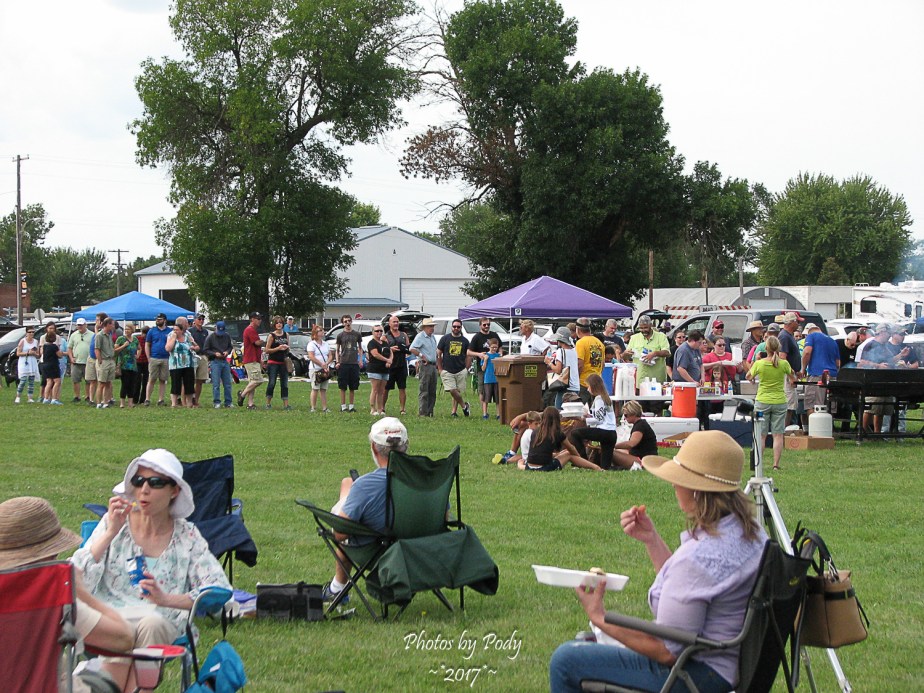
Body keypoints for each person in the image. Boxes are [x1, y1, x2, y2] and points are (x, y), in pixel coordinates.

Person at [549, 430, 767, 693]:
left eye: (678, 480)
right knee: (587, 647)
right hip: (726, 664)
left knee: (566, 659)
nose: (674, 486)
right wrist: (652, 539)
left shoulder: (701, 558)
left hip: (695, 675)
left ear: (697, 492)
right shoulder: (750, 534)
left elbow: (666, 651)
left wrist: (600, 617)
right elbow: (690, 586)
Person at [71, 449, 232, 692]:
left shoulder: (186, 536)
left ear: (174, 491)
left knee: (151, 622)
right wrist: (110, 533)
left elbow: (218, 589)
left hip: (162, 620)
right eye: (139, 481)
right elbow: (74, 577)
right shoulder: (113, 525)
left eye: (155, 483)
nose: (144, 489)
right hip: (109, 618)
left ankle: (101, 684)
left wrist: (166, 599)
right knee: (131, 626)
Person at [0, 497, 134, 693]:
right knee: (101, 680)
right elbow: (123, 639)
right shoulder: (50, 594)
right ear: (47, 555)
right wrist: (79, 590)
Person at [321, 418, 409, 604]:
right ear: (406, 445)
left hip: (376, 550)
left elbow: (340, 533)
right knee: (348, 484)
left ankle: (336, 589)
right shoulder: (425, 477)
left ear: (374, 449)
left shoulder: (367, 485)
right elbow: (442, 517)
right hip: (419, 550)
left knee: (346, 520)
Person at [747, 335, 795, 470]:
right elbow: (792, 377)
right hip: (780, 400)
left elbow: (748, 376)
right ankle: (776, 464)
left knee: (761, 435)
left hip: (762, 400)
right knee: (778, 434)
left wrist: (755, 363)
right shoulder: (784, 363)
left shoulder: (760, 363)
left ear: (765, 348)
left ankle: (759, 464)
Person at [519, 406, 602, 471]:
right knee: (568, 454)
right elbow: (571, 449)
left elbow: (541, 453)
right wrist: (579, 459)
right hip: (545, 467)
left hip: (530, 466)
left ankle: (520, 466)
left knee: (564, 452)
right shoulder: (556, 432)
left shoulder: (536, 431)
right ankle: (596, 467)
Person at [569, 373, 619, 470]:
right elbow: (602, 416)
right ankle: (629, 468)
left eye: (588, 387)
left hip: (604, 431)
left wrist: (583, 419)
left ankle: (584, 462)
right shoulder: (606, 398)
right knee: (605, 467)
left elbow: (598, 420)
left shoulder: (599, 399)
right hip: (612, 433)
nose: (587, 389)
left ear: (593, 387)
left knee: (575, 434)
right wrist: (590, 416)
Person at [624, 315, 670, 409]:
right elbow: (625, 357)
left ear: (651, 325)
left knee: (657, 409)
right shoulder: (634, 338)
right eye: (641, 328)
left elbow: (667, 353)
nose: (643, 330)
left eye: (645, 328)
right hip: (640, 381)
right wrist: (626, 353)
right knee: (640, 410)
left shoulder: (661, 337)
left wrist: (655, 353)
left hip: (657, 381)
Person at [801, 323, 840, 418]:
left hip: (817, 375)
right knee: (829, 406)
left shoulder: (811, 336)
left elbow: (807, 352)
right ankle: (828, 430)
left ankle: (815, 430)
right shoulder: (832, 340)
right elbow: (838, 363)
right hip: (832, 376)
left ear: (808, 333)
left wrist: (803, 368)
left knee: (813, 404)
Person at [437, 319, 471, 417]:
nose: (456, 328)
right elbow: (438, 354)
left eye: (458, 327)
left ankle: (454, 412)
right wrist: (440, 368)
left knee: (457, 391)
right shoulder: (445, 339)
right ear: (451, 327)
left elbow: (468, 355)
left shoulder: (465, 341)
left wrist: (466, 368)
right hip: (447, 369)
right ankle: (464, 406)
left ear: (461, 328)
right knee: (452, 390)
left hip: (461, 369)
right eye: (454, 326)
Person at [467, 317, 501, 412]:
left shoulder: (494, 335)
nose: (486, 326)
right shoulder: (477, 337)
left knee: (496, 390)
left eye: (488, 324)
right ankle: (484, 412)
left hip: (494, 368)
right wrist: (479, 354)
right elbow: (468, 352)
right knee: (482, 389)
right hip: (482, 367)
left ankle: (497, 412)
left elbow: (500, 347)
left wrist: (500, 357)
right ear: (480, 325)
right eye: (484, 325)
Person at [611, 400, 657, 471]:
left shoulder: (640, 426)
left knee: (609, 451)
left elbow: (631, 444)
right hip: (644, 457)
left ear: (633, 413)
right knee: (615, 451)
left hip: (643, 460)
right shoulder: (640, 424)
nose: (625, 418)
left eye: (626, 415)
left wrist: (613, 446)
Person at [777, 312, 804, 426]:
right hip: (787, 376)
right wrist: (791, 376)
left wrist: (797, 371)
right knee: (788, 404)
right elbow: (782, 358)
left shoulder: (789, 335)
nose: (798, 324)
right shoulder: (784, 336)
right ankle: (782, 431)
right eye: (797, 321)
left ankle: (784, 430)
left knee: (791, 404)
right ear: (791, 322)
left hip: (791, 373)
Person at [544, 327, 580, 409]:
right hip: (576, 386)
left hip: (565, 387)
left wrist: (548, 362)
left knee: (559, 411)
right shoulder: (574, 351)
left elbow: (558, 370)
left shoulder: (560, 351)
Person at [410, 317, 438, 416]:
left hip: (433, 365)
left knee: (432, 390)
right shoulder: (420, 336)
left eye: (433, 326)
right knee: (424, 389)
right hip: (425, 365)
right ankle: (423, 412)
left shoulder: (432, 337)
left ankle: (430, 411)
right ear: (425, 327)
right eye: (430, 326)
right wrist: (422, 356)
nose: (432, 328)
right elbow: (412, 348)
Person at [383, 314, 411, 415]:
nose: (396, 324)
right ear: (389, 324)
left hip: (401, 365)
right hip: (390, 365)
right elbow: (382, 350)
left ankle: (402, 409)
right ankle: (382, 408)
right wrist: (391, 349)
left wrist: (405, 349)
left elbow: (408, 349)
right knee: (386, 388)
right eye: (394, 322)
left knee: (402, 388)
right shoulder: (385, 336)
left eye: (397, 322)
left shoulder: (403, 335)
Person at [335, 315, 363, 413]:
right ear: (343, 323)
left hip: (354, 363)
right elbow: (337, 349)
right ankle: (343, 406)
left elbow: (360, 348)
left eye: (349, 321)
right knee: (342, 386)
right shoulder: (340, 335)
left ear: (351, 322)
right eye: (345, 321)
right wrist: (338, 361)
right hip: (344, 363)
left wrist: (360, 360)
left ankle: (351, 406)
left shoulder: (357, 334)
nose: (347, 323)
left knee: (353, 385)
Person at [263, 315, 291, 410]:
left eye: (280, 323)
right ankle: (268, 403)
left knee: (285, 384)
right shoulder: (272, 335)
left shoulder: (286, 334)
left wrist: (286, 348)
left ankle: (286, 405)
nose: (279, 324)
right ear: (274, 325)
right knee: (272, 383)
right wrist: (278, 348)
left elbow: (288, 348)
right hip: (273, 362)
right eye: (277, 323)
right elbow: (267, 350)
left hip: (283, 362)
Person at [238, 312, 265, 410]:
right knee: (258, 380)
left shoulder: (253, 330)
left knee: (252, 381)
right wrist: (262, 341)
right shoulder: (250, 330)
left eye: (260, 319)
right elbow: (257, 342)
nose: (259, 321)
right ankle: (242, 394)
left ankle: (250, 404)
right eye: (257, 319)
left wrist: (260, 360)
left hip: (254, 359)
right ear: (252, 319)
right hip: (251, 359)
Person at [166, 317, 195, 408]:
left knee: (189, 383)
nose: (188, 325)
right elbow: (168, 348)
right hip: (176, 364)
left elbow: (195, 345)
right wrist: (174, 338)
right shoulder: (171, 335)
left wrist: (194, 348)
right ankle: (174, 403)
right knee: (176, 384)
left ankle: (189, 403)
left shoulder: (188, 334)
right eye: (186, 323)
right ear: (181, 324)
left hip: (188, 363)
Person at [203, 321, 234, 408]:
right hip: (215, 361)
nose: (220, 334)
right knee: (216, 384)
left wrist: (227, 352)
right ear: (215, 328)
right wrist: (214, 354)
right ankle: (217, 402)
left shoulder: (227, 336)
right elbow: (205, 349)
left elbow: (230, 346)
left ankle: (228, 402)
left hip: (224, 361)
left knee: (227, 383)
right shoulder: (210, 337)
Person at [575, 318, 605, 405]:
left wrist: (576, 379)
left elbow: (580, 364)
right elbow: (602, 364)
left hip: (583, 382)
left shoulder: (580, 343)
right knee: (594, 409)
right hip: (596, 382)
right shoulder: (599, 343)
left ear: (578, 329)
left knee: (580, 408)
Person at [145, 313, 172, 406]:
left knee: (163, 380)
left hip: (166, 358)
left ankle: (161, 400)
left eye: (160, 319)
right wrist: (148, 357)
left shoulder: (170, 331)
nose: (157, 321)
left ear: (164, 320)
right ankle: (147, 399)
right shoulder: (152, 331)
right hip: (154, 357)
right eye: (157, 319)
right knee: (151, 379)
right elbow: (147, 344)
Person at [366, 324, 392, 415]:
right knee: (375, 389)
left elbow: (390, 352)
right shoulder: (372, 343)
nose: (379, 332)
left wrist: (390, 360)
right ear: (373, 332)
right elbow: (375, 354)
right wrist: (386, 360)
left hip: (384, 369)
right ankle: (373, 409)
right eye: (377, 331)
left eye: (381, 331)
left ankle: (380, 409)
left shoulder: (384, 343)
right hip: (374, 369)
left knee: (382, 390)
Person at [307, 323, 333, 413]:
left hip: (325, 368)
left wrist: (327, 363)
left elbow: (330, 355)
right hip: (315, 368)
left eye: (323, 330)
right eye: (320, 330)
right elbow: (311, 356)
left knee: (323, 389)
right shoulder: (311, 344)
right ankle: (313, 407)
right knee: (315, 388)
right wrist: (321, 364)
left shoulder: (326, 344)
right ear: (315, 333)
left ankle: (324, 407)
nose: (323, 332)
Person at [68, 317, 94, 402]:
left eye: (81, 325)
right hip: (76, 361)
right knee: (75, 380)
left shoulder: (92, 335)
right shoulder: (73, 335)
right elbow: (70, 348)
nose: (80, 327)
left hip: (88, 361)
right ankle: (77, 396)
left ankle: (88, 396)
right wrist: (71, 358)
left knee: (88, 380)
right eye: (78, 325)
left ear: (85, 325)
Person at [114, 322, 140, 409]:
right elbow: (115, 350)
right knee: (125, 383)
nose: (126, 331)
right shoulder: (121, 339)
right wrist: (123, 346)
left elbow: (139, 348)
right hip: (123, 364)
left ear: (132, 330)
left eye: (128, 329)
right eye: (125, 329)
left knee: (132, 384)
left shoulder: (135, 339)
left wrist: (138, 355)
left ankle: (130, 402)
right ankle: (122, 402)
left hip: (133, 365)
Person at [95, 317, 117, 409]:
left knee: (108, 383)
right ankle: (98, 403)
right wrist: (100, 361)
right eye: (112, 324)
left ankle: (106, 402)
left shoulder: (109, 335)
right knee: (101, 383)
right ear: (107, 324)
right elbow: (97, 349)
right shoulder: (99, 335)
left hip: (111, 360)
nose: (113, 326)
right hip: (104, 361)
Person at [187, 314, 209, 407]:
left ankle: (196, 400)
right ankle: (188, 400)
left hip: (203, 356)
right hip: (193, 356)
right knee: (190, 379)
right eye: (199, 319)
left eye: (203, 319)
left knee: (200, 380)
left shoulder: (205, 332)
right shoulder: (190, 331)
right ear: (195, 320)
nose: (201, 321)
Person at [480, 338, 501, 419]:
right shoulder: (486, 356)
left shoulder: (498, 356)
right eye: (492, 347)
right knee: (486, 398)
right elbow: (483, 369)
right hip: (488, 380)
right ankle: (485, 414)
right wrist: (485, 360)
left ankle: (498, 414)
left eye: (496, 347)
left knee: (497, 399)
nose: (494, 349)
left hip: (496, 380)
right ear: (489, 347)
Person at [134, 326, 150, 406]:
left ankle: (135, 399)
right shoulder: (149, 340)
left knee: (137, 381)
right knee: (145, 381)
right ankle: (142, 399)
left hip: (138, 361)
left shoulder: (137, 339)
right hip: (146, 361)